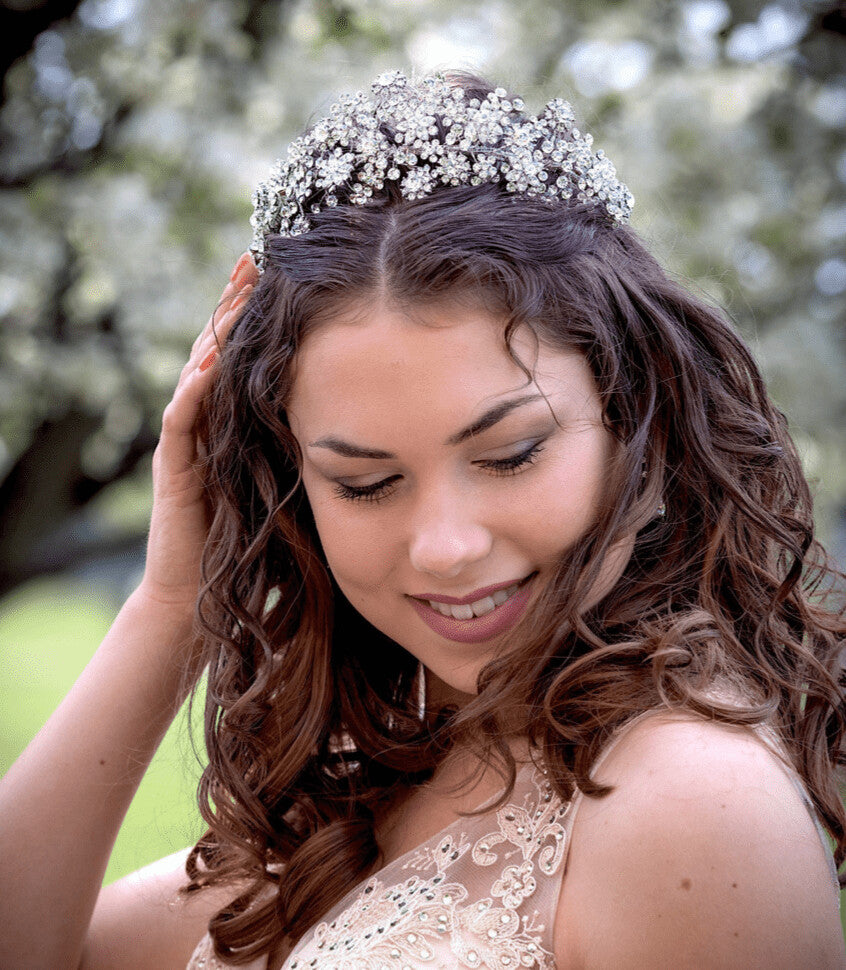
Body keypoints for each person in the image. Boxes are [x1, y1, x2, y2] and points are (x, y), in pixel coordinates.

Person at [0, 68, 844, 970]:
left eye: (511, 454)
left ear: (639, 416)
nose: (446, 548)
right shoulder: (375, 797)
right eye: (365, 484)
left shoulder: (692, 807)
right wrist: (172, 603)